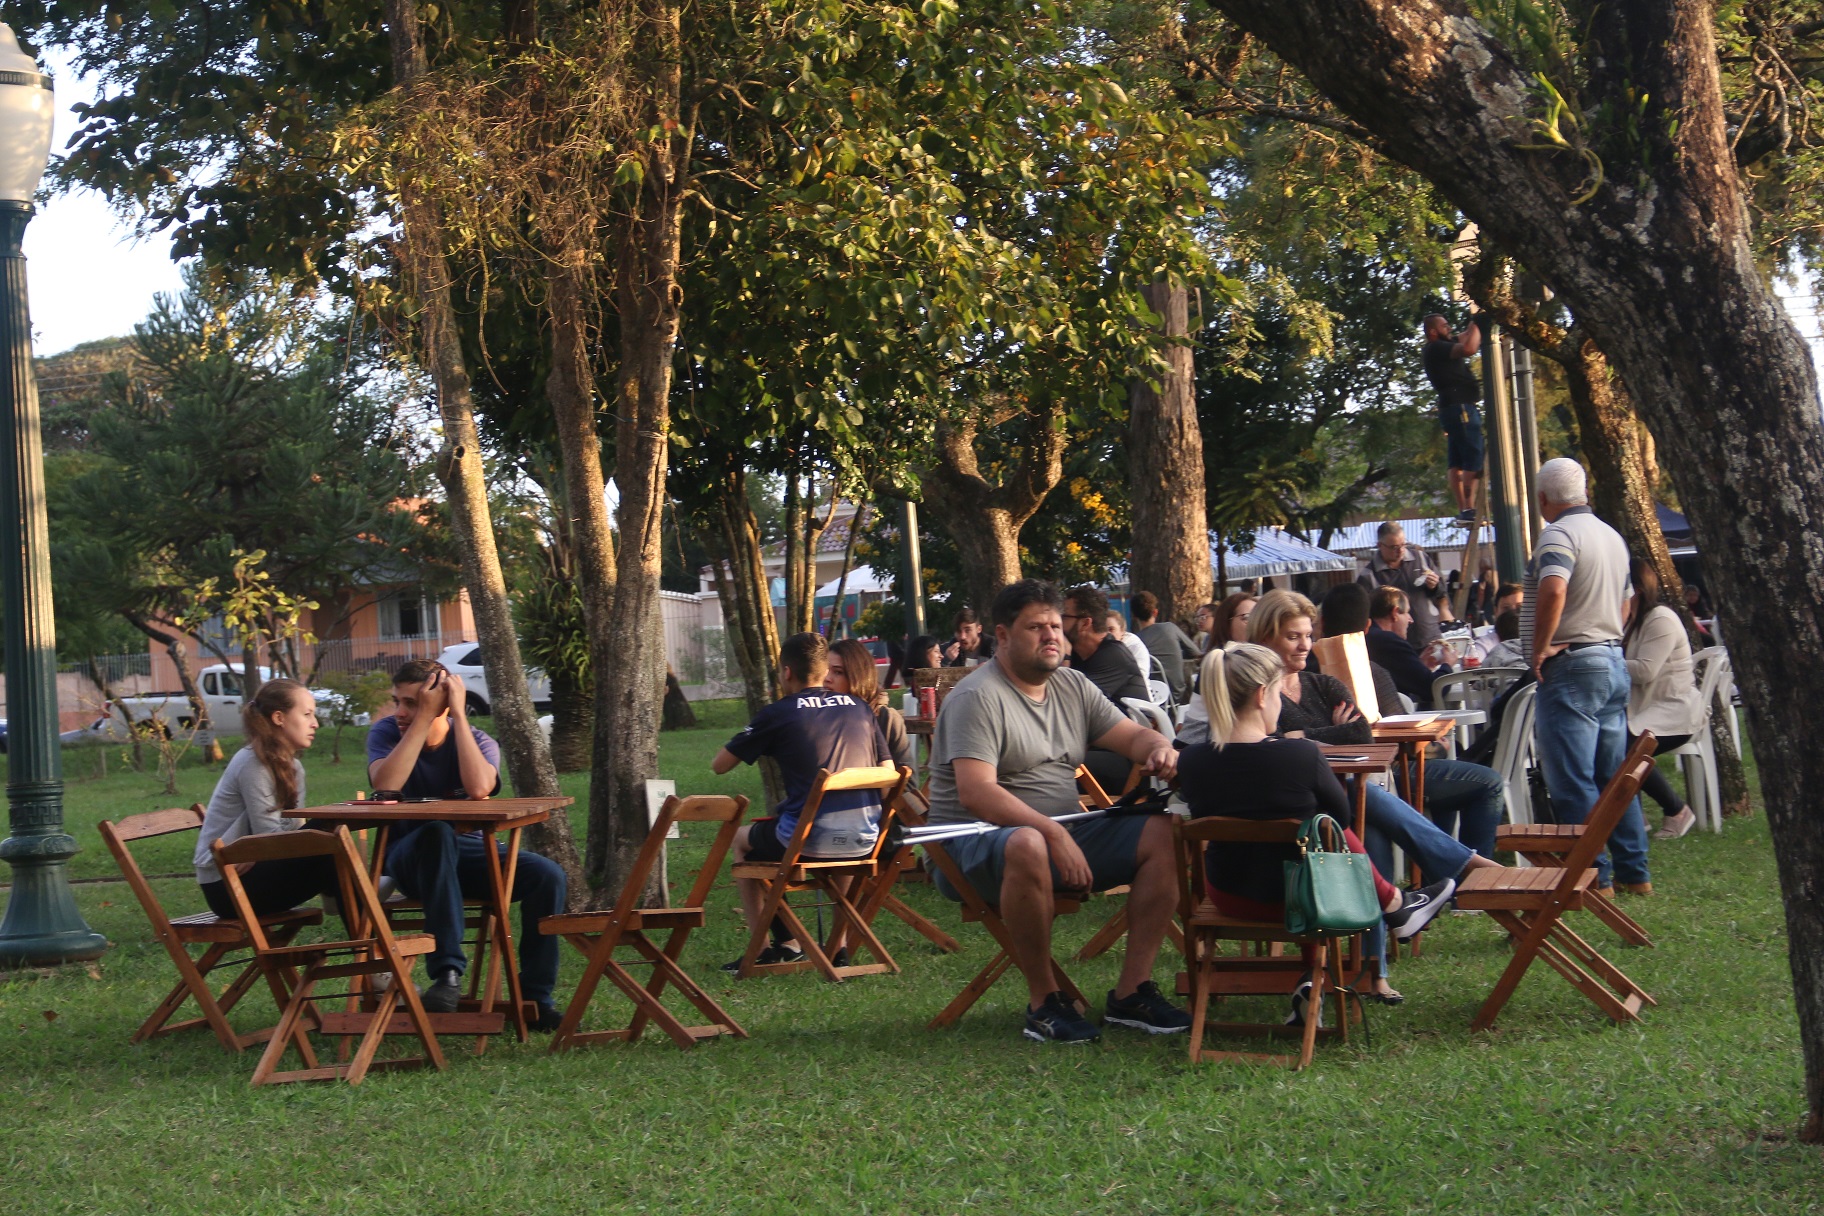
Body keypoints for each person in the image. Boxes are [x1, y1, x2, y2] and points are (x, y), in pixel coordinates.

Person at [925, 579, 1189, 1043]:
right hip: (969, 845)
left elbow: (1132, 736)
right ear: (1002, 636)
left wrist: (1159, 746)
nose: (1051, 636)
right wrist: (1051, 832)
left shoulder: (1072, 684)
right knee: (1026, 842)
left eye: (1055, 625)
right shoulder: (977, 697)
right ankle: (1045, 1002)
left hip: (1060, 830)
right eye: (1035, 627)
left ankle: (1132, 992)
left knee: (1165, 831)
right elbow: (976, 794)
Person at [1178, 644, 1457, 1022]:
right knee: (1325, 840)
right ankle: (1392, 907)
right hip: (1306, 900)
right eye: (1278, 693)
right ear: (1262, 696)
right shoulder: (1301, 755)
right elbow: (1341, 818)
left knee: (1305, 855)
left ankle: (1314, 978)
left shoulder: (1192, 761)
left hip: (1229, 896)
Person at [1249, 590, 1503, 997]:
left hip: (1338, 801)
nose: (1303, 646)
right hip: (1298, 813)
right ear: (1265, 638)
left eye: (1307, 636)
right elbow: (1272, 742)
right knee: (1358, 797)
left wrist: (1304, 736)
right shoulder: (1256, 692)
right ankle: (1461, 864)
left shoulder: (1322, 684)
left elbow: (1361, 730)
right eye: (1292, 637)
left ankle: (1374, 971)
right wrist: (1312, 737)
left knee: (1366, 814)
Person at [367, 660, 568, 1028]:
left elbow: (478, 790)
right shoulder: (385, 733)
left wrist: (455, 713)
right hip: (409, 859)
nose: (400, 712)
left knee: (547, 874)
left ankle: (535, 999)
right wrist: (421, 721)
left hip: (469, 854)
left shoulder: (477, 741)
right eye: (398, 701)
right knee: (436, 832)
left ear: (442, 703)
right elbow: (387, 786)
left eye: (412, 703)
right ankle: (447, 974)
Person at [712, 632, 892, 967]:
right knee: (840, 833)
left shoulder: (778, 713)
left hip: (806, 840)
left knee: (740, 841)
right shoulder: (860, 708)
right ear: (825, 672)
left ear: (787, 672)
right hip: (865, 840)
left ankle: (770, 946)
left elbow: (720, 766)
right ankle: (837, 948)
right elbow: (889, 774)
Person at [1521, 457, 1649, 894]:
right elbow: (1628, 601)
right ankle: (1636, 874)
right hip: (1611, 658)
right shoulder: (1610, 536)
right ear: (1584, 492)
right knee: (1613, 778)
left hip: (1574, 663)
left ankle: (1595, 875)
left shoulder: (1557, 534)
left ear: (1543, 499)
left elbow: (1554, 586)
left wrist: (1541, 647)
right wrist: (1603, 630)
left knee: (1571, 777)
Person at [1320, 585, 1508, 865]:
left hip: (1351, 777)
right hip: (1380, 773)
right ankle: (1471, 881)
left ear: (1321, 624)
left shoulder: (1310, 668)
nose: (1410, 620)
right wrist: (1431, 739)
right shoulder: (1370, 665)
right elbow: (1400, 726)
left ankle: (1445, 875)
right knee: (1486, 781)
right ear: (1368, 624)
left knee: (1445, 766)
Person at [194, 680, 345, 927]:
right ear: (279, 718)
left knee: (327, 841)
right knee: (328, 833)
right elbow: (270, 841)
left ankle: (362, 933)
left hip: (256, 873)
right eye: (307, 714)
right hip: (226, 888)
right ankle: (367, 938)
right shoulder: (252, 764)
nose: (315, 723)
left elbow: (291, 834)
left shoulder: (294, 767)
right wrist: (251, 849)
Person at [1623, 558, 1707, 839]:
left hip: (1675, 713)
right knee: (1607, 740)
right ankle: (1636, 817)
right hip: (1648, 710)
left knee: (1621, 748)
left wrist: (1605, 660)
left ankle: (1676, 809)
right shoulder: (1633, 620)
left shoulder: (1660, 619)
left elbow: (1646, 671)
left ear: (1635, 588)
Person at [1062, 585, 1148, 793]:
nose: (1058, 624)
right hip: (1093, 750)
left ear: (1084, 623)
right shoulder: (1080, 656)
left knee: (1048, 770)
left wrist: (1062, 653)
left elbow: (1064, 705)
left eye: (1064, 617)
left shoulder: (1112, 655)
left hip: (1127, 762)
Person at [1421, 312, 1487, 523]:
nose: (1449, 328)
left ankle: (1464, 509)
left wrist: (1476, 318)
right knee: (1473, 458)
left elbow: (1467, 335)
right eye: (1444, 326)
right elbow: (1469, 348)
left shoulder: (1440, 346)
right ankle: (1468, 507)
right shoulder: (1437, 347)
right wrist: (1481, 323)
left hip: (1452, 409)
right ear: (1433, 331)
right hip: (1461, 409)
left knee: (1456, 461)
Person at [1356, 522, 1456, 649]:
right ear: (1379, 545)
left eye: (1403, 544)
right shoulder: (1369, 576)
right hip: (1397, 645)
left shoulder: (1420, 558)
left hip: (1430, 636)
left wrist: (1434, 586)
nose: (1400, 551)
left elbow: (1442, 591)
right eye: (1394, 547)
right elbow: (1367, 616)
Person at [828, 637, 914, 772]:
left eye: (838, 672)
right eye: (825, 671)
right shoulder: (818, 718)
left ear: (858, 677)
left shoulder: (886, 718)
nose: (827, 679)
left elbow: (908, 781)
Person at [1366, 586, 1451, 709]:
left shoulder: (1370, 636)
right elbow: (1434, 689)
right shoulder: (1389, 641)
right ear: (1395, 613)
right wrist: (1447, 664)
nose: (1410, 620)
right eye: (1407, 612)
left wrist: (1419, 665)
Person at [1132, 590, 1200, 705]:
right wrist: (1176, 654)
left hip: (1153, 698)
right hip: (1178, 694)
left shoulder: (1136, 642)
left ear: (1133, 616)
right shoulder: (1170, 628)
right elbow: (1195, 652)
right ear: (1155, 612)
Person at [1106, 610, 1154, 683]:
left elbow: (1140, 678)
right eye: (1104, 630)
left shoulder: (1134, 646)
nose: (1107, 634)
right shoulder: (1103, 646)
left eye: (1111, 629)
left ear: (1122, 630)